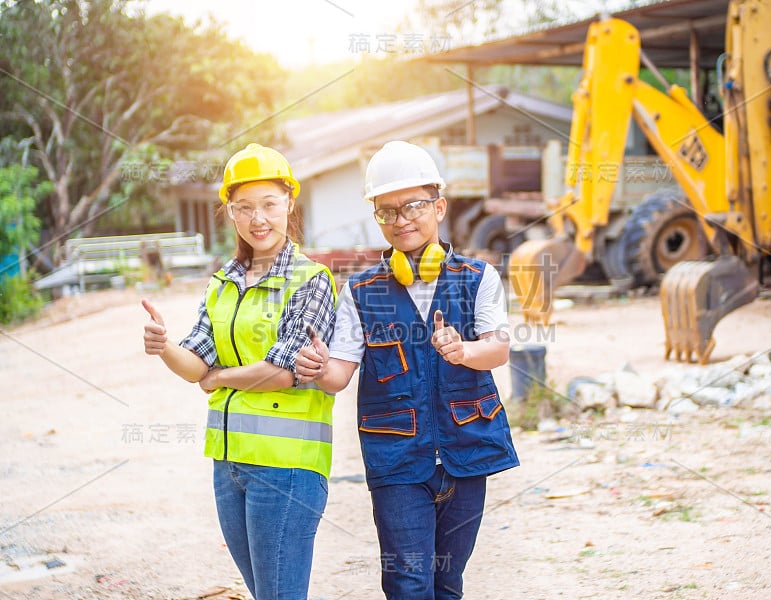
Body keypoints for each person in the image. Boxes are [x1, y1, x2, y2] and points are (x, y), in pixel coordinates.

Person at [296, 140, 519, 599]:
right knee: (407, 583)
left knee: (447, 583)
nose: (401, 220)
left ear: (438, 207)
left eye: (413, 206)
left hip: (466, 452)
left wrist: (462, 351)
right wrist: (316, 368)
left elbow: (498, 350)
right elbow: (338, 375)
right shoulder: (360, 291)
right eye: (387, 211)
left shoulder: (478, 277)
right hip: (398, 461)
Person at [142, 143, 337, 600]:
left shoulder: (311, 280)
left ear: (289, 202)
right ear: (229, 212)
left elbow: (287, 371)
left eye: (269, 204)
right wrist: (165, 346)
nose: (258, 219)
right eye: (244, 207)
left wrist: (221, 377)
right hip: (229, 464)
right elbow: (196, 363)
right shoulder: (224, 281)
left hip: (286, 467)